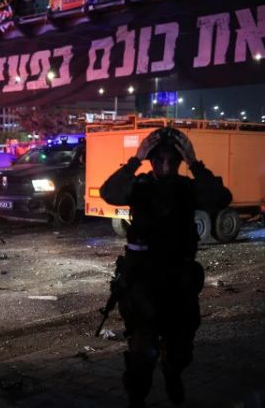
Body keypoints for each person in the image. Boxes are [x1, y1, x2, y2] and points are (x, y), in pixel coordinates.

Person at [100, 127, 232, 408]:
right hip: (143, 283)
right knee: (141, 353)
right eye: (159, 160)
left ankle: (172, 374)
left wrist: (195, 163)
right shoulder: (140, 186)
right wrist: (135, 160)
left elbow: (221, 197)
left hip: (178, 283)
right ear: (151, 160)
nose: (165, 166)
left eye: (172, 161)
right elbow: (109, 192)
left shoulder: (187, 188)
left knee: (180, 350)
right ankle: (137, 397)